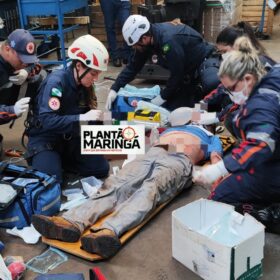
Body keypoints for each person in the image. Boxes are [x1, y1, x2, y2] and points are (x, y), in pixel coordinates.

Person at [31, 107, 223, 259]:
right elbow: (143, 136)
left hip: (179, 160)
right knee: (116, 183)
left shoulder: (210, 137)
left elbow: (215, 159)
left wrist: (215, 178)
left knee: (150, 188)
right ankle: (71, 221)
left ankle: (108, 231)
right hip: (153, 153)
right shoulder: (172, 127)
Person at [193, 37, 280, 232]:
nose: (230, 93)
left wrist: (222, 168)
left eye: (231, 89)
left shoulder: (261, 106)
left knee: (219, 197)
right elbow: (233, 102)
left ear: (247, 79)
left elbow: (260, 144)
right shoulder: (267, 70)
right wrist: (215, 115)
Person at [25, 35, 110, 183]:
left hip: (70, 138)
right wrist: (80, 118)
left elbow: (87, 117)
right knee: (51, 182)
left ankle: (61, 162)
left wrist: (108, 123)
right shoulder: (56, 83)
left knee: (101, 168)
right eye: (93, 73)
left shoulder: (84, 85)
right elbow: (47, 120)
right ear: (78, 66)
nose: (96, 79)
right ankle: (47, 161)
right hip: (46, 139)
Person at [105, 14, 220, 111]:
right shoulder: (148, 40)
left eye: (135, 45)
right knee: (174, 109)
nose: (135, 48)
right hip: (187, 70)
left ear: (144, 38)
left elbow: (177, 74)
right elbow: (133, 67)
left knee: (202, 101)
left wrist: (162, 97)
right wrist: (115, 88)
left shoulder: (168, 41)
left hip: (203, 63)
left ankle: (210, 123)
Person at [0, 29, 40, 126]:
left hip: (6, 96)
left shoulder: (17, 59)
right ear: (7, 49)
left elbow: (37, 65)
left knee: (40, 79)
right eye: (21, 59)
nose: (25, 63)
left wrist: (27, 70)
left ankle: (38, 127)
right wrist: (12, 110)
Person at [100, 0, 131, 67]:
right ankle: (115, 56)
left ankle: (127, 54)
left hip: (123, 1)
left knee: (127, 25)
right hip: (107, 2)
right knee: (110, 27)